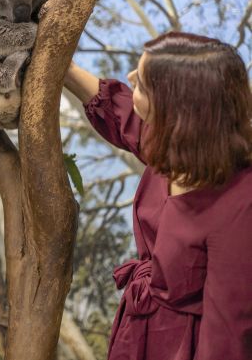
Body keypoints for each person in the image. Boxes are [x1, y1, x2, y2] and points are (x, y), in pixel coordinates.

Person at [63, 32, 252, 360]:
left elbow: (227, 334)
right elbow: (124, 115)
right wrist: (65, 70)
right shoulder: (178, 147)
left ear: (175, 113)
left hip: (183, 347)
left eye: (142, 84)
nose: (130, 78)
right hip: (138, 333)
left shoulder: (241, 205)